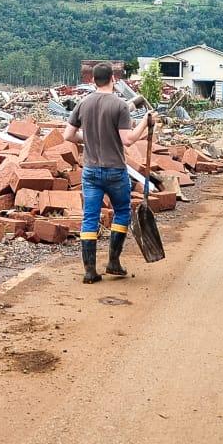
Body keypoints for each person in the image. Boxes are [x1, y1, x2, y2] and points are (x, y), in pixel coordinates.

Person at [64, 62, 155, 284]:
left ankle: (89, 271)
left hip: (91, 171)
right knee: (122, 212)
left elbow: (68, 135)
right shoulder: (120, 105)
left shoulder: (83, 103)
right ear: (113, 79)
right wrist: (145, 121)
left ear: (93, 80)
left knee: (90, 218)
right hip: (115, 171)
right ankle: (113, 262)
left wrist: (90, 138)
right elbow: (128, 139)